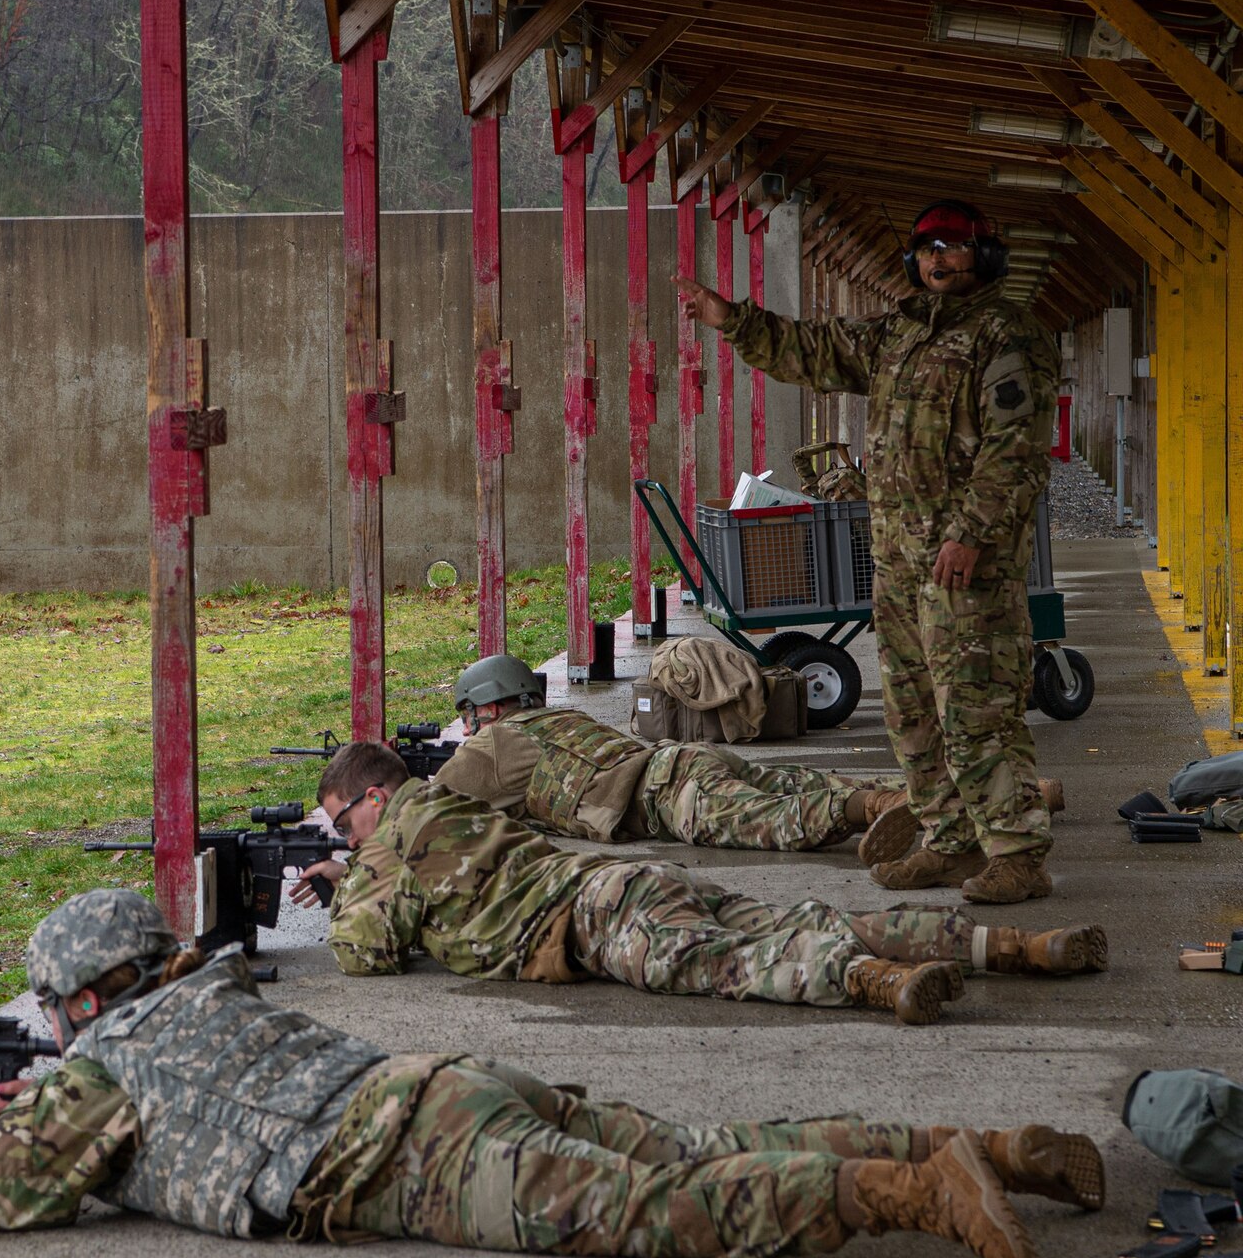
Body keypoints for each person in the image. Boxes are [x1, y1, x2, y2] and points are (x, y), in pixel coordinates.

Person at [0, 888, 1107, 1258]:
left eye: (58, 1007)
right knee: (695, 1143)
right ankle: (987, 1140)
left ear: (90, 995)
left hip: (405, 1155)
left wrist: (24, 1112)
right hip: (450, 1084)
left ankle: (914, 1192)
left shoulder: (105, 1058)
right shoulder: (211, 992)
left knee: (658, 1212)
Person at [678, 201, 1059, 902]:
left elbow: (1018, 450)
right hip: (900, 564)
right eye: (925, 249)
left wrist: (970, 532)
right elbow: (816, 350)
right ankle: (950, 840)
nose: (936, 260)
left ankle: (1018, 852)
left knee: (976, 707)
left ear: (984, 257)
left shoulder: (1008, 337)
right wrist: (732, 318)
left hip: (966, 567)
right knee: (911, 711)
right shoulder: (900, 332)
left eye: (952, 247)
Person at [292, 743, 1103, 1026]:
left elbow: (364, 953)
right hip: (622, 876)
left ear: (373, 798)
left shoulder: (388, 843)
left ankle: (871, 981)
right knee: (795, 915)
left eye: (342, 824)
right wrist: (354, 863)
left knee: (732, 963)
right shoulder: (444, 800)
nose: (343, 838)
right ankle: (1012, 946)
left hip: (595, 918)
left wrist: (343, 880)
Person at [436, 653, 1061, 875]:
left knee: (782, 820)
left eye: (469, 717)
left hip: (663, 798)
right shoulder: (553, 721)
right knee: (811, 780)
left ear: (484, 711)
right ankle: (1015, 794)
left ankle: (881, 808)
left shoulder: (488, 748)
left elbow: (430, 812)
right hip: (686, 760)